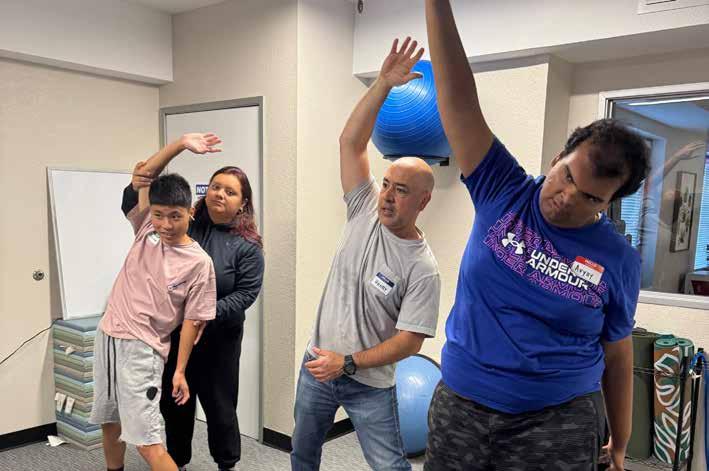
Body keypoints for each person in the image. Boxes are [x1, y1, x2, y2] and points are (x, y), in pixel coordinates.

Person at [423, 1, 651, 470]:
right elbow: (458, 99)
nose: (567, 198)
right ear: (556, 158)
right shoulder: (502, 188)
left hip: (556, 423)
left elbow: (617, 353)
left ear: (609, 204)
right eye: (567, 176)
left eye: (590, 198)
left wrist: (621, 441)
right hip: (460, 406)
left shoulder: (617, 259)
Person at [290, 37, 441, 471]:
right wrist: (383, 84)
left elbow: (410, 341)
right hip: (318, 365)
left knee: (390, 465)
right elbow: (350, 142)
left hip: (368, 382)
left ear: (423, 201)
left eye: (401, 190)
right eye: (387, 184)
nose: (387, 196)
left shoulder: (422, 267)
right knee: (303, 453)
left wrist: (349, 364)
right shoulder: (364, 209)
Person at [122, 133, 265, 471]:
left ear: (242, 203)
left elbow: (246, 294)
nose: (220, 194)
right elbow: (137, 193)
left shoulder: (248, 245)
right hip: (174, 336)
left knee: (220, 409)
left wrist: (201, 314)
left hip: (218, 342)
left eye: (230, 191)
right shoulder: (184, 223)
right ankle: (178, 462)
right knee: (176, 406)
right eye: (216, 186)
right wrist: (180, 144)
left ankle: (227, 463)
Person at [90, 169, 217, 471]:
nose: (166, 224)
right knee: (110, 422)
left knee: (147, 442)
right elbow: (145, 172)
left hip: (142, 351)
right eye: (159, 215)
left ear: (190, 212)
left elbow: (192, 321)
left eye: (175, 216)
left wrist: (180, 371)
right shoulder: (147, 231)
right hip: (107, 337)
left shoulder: (199, 262)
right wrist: (181, 145)